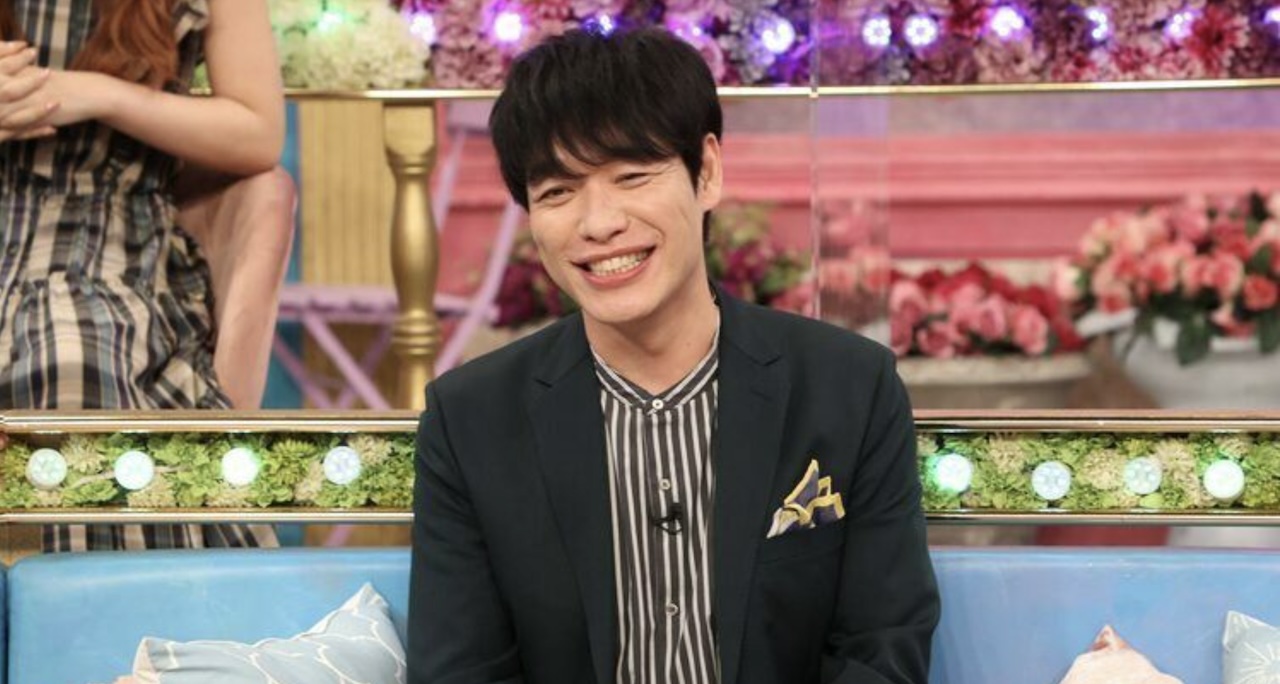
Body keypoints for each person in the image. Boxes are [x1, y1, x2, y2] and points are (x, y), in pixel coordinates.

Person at [409, 27, 940, 684]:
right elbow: (459, 671)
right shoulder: (470, 420)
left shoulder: (850, 387)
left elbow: (881, 649)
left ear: (706, 172)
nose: (599, 223)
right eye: (558, 193)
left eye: (632, 176)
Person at [0, 0, 282, 551]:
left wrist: (101, 95)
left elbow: (259, 134)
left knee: (70, 362)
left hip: (104, 238)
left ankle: (95, 604)